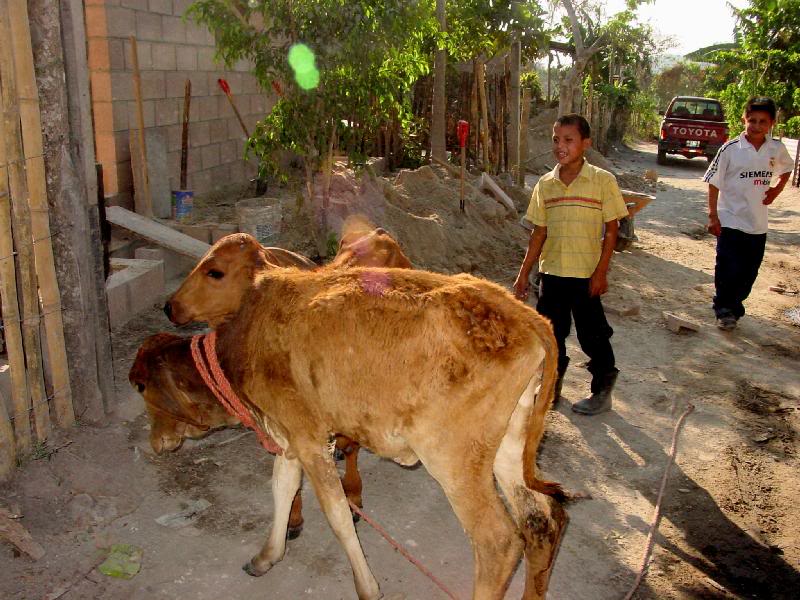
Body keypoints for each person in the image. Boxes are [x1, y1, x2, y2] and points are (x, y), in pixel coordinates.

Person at [513, 114, 629, 415]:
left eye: (568, 140)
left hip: (586, 275)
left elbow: (612, 230)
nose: (560, 146)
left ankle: (603, 389)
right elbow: (539, 232)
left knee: (593, 334)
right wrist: (524, 273)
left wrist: (601, 272)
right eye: (556, 139)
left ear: (585, 144)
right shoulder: (545, 185)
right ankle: (552, 385)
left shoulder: (602, 181)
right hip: (552, 274)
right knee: (552, 335)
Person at [704, 96, 794, 331]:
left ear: (771, 123)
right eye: (752, 120)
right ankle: (723, 308)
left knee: (748, 272)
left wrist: (776, 190)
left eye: (762, 121)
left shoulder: (776, 149)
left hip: (757, 223)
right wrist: (713, 215)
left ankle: (735, 305)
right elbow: (713, 182)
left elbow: (787, 169)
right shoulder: (730, 149)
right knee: (727, 266)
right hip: (730, 217)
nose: (756, 126)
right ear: (744, 119)